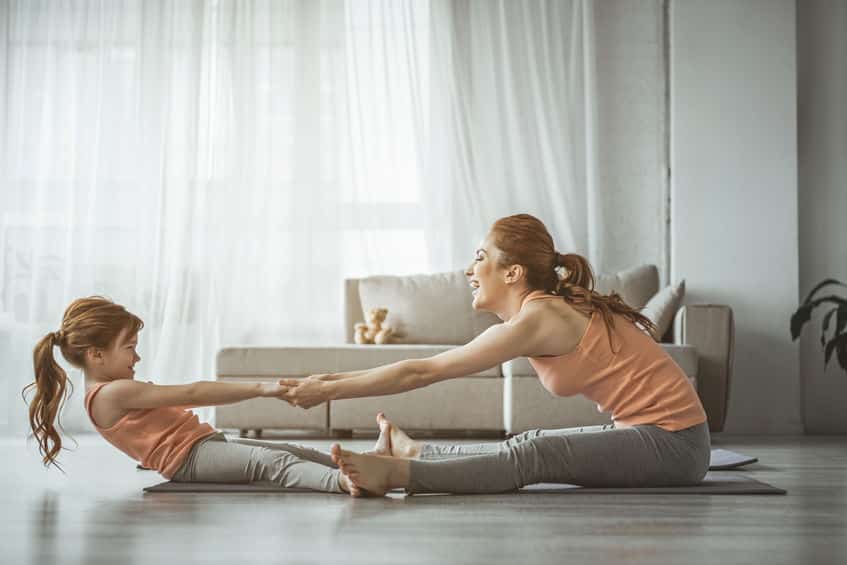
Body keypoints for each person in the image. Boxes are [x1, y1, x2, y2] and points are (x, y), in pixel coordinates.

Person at [281, 213, 711, 497]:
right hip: (654, 436)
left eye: (480, 257)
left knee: (535, 455)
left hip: (674, 444)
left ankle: (396, 474)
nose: (469, 270)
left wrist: (329, 388)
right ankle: (417, 454)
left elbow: (421, 371)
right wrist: (329, 386)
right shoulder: (541, 312)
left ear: (513, 272)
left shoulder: (539, 318)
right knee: (533, 442)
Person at [23, 296, 362, 495]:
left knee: (290, 450)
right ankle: (343, 482)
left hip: (203, 447)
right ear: (96, 355)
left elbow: (167, 412)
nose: (136, 358)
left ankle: (364, 464)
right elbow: (192, 392)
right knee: (271, 462)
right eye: (129, 348)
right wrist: (263, 388)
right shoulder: (111, 394)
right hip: (189, 461)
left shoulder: (112, 392)